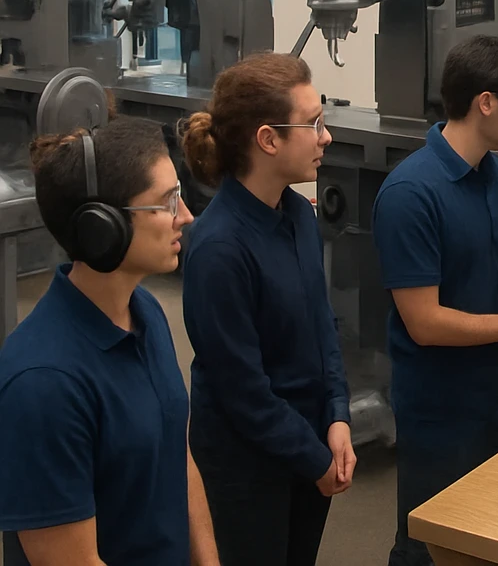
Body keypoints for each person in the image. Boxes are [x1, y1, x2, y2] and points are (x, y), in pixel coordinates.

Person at [372, 35, 498, 566]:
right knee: (432, 543)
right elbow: (425, 323)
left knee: (497, 535)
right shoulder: (411, 194)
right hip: (441, 409)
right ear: (487, 102)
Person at [0, 116, 218, 566]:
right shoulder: (43, 384)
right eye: (167, 202)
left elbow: (177, 454)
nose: (187, 216)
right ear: (103, 227)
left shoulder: (147, 315)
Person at [179, 51, 356, 566]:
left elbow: (323, 327)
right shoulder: (218, 249)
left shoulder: (298, 214)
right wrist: (314, 458)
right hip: (248, 466)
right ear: (268, 139)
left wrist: (339, 417)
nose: (326, 137)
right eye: (313, 124)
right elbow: (244, 393)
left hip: (309, 446)